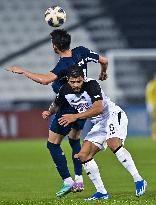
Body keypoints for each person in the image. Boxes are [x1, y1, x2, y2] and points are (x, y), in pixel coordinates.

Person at [6, 29, 108, 196]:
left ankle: (67, 181)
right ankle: (79, 179)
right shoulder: (81, 51)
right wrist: (103, 72)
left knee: (52, 144)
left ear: (55, 47)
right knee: (74, 139)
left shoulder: (63, 65)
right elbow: (104, 60)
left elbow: (45, 80)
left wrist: (24, 71)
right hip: (83, 104)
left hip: (68, 105)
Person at [53, 65, 147, 200]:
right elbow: (56, 103)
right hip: (99, 123)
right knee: (83, 155)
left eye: (79, 81)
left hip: (112, 116)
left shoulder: (91, 85)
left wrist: (75, 116)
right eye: (72, 82)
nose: (76, 84)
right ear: (68, 80)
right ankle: (102, 192)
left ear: (83, 79)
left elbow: (98, 108)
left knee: (113, 143)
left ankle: (139, 180)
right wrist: (49, 112)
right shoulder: (64, 90)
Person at [145, 73, 156, 140]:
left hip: (151, 105)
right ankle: (154, 134)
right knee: (154, 120)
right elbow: (149, 94)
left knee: (154, 120)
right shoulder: (152, 85)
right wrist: (150, 104)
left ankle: (153, 134)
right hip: (153, 105)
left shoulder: (150, 84)